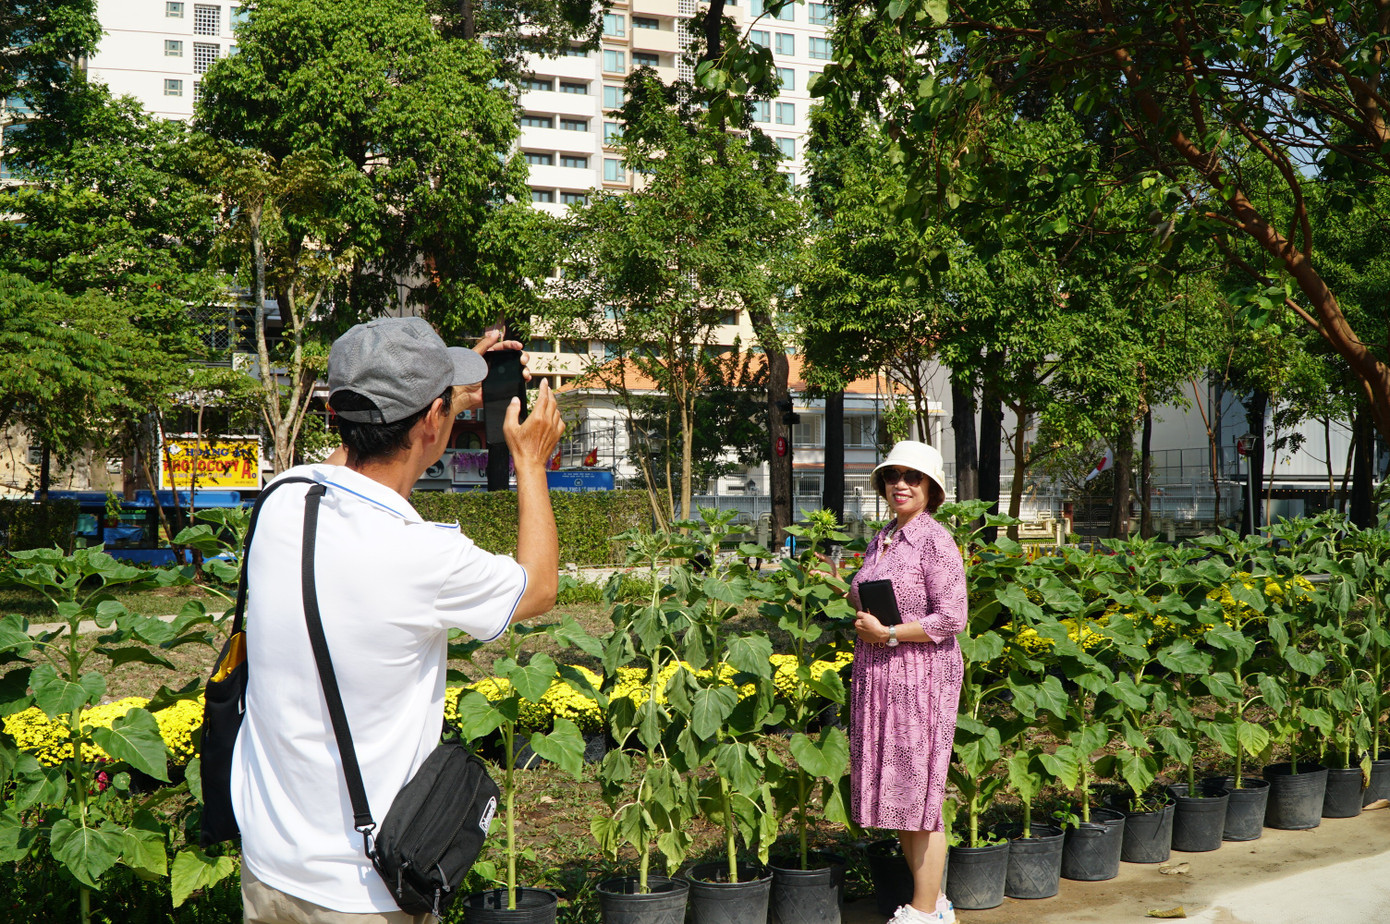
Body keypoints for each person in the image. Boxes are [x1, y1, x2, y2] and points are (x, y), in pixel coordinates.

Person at [232, 316, 565, 924]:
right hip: (361, 893)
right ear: (434, 421)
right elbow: (538, 587)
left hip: (268, 869)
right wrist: (531, 460)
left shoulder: (281, 500)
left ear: (338, 414)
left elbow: (349, 455)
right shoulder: (422, 556)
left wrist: (439, 392)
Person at [848, 441, 968, 924]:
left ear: (931, 489)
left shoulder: (935, 541)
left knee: (920, 795)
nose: (901, 483)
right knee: (900, 793)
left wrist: (890, 632)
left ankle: (926, 912)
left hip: (920, 680)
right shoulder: (884, 538)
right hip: (882, 676)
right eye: (893, 475)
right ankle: (932, 904)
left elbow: (952, 616)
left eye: (912, 477)